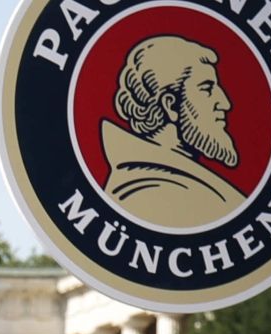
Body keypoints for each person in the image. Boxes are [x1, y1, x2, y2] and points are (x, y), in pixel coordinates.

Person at [102, 36, 244, 227]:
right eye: (207, 89)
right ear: (170, 105)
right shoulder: (150, 192)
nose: (225, 103)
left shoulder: (184, 183)